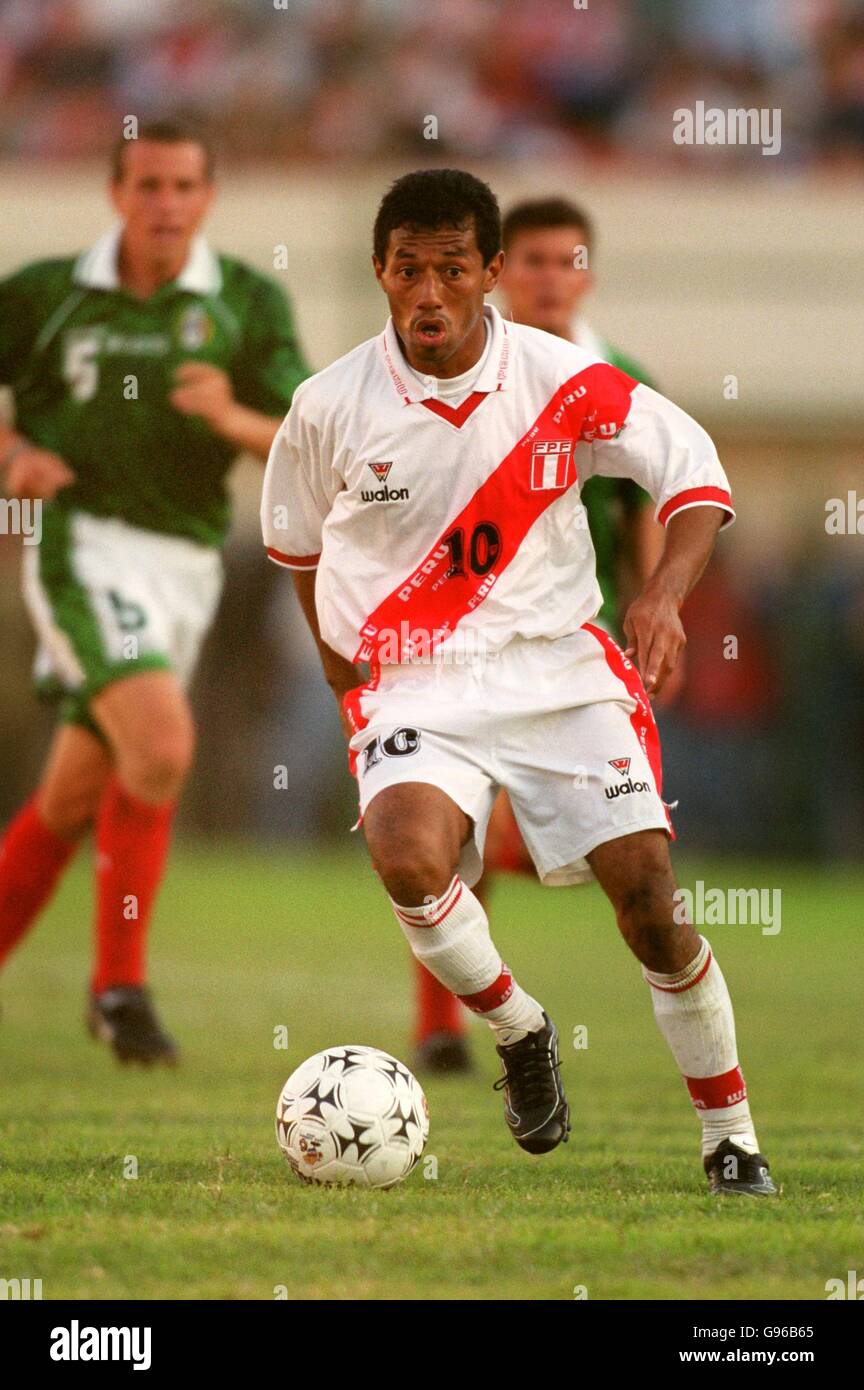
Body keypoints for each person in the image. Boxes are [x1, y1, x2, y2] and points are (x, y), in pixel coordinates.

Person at [262, 168, 775, 1195]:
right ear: (380, 273)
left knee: (653, 909)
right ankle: (520, 1027)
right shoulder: (326, 407)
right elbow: (299, 555)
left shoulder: (563, 378)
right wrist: (347, 689)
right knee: (409, 857)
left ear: (489, 272)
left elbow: (697, 476)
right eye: (408, 269)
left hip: (560, 671)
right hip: (416, 680)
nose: (429, 292)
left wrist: (667, 595)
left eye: (452, 268)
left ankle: (732, 1137)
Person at [0, 119, 309, 1063]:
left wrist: (229, 413)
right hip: (82, 549)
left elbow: (308, 437)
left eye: (183, 187)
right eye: (147, 185)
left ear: (208, 197)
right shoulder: (47, 294)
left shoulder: (246, 302)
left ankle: (114, 989)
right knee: (165, 741)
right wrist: (13, 451)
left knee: (68, 800)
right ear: (115, 193)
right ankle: (120, 988)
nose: (165, 205)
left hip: (187, 562)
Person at [412, 195, 668, 1074]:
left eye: (567, 260)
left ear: (587, 272)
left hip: (576, 649)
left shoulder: (615, 376)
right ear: (498, 272)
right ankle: (442, 1025)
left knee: (616, 857)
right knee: (449, 828)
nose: (550, 277)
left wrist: (659, 610)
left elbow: (645, 510)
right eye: (532, 261)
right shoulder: (451, 374)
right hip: (461, 648)